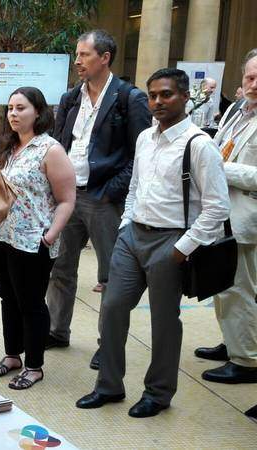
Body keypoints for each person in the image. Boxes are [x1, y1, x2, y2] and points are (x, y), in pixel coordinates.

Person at [76, 68, 230, 418]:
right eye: (153, 95)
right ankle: (108, 386)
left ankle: (158, 393)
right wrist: (126, 225)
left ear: (185, 97)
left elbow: (217, 207)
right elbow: (135, 187)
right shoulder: (145, 137)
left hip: (171, 241)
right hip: (132, 236)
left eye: (166, 94)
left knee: (164, 322)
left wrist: (182, 248)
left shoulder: (198, 144)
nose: (158, 101)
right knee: (113, 308)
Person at [45, 30, 152, 371]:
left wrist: (111, 191)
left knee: (111, 275)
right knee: (60, 267)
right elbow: (59, 143)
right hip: (68, 196)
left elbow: (141, 153)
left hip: (104, 197)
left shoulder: (129, 98)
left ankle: (108, 345)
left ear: (105, 58)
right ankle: (56, 329)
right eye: (77, 54)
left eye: (84, 55)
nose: (77, 61)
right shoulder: (70, 98)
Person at [0, 87, 76, 389]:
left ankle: (34, 365)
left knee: (31, 302)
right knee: (7, 297)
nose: (13, 114)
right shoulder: (9, 147)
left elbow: (67, 200)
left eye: (21, 108)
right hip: (0, 235)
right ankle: (13, 355)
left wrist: (50, 236)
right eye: (10, 108)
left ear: (38, 112)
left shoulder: (50, 149)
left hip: (32, 239)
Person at [195, 49, 257, 384]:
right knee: (223, 285)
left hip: (247, 218)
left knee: (240, 290)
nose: (254, 84)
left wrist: (221, 168)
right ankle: (233, 342)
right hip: (222, 213)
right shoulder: (237, 110)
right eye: (250, 77)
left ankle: (247, 360)